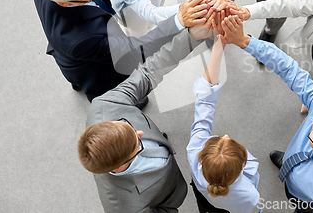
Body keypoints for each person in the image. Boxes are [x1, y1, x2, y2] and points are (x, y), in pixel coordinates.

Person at [220, 15, 313, 213]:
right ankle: (287, 163)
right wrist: (244, 41)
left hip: (305, 200)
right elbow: (290, 70)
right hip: (299, 163)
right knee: (293, 159)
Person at [29, 0, 208, 102]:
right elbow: (135, 50)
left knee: (77, 74)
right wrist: (179, 20)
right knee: (121, 91)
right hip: (95, 68)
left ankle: (77, 82)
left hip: (71, 53)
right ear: (64, 2)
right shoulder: (82, 40)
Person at [78, 23, 213, 213]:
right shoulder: (125, 207)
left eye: (128, 126)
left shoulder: (104, 106)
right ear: (118, 168)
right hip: (173, 193)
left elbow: (149, 71)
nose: (141, 132)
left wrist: (193, 36)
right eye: (138, 143)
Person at [187, 13, 261, 213]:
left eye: (222, 138)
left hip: (205, 201)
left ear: (201, 159)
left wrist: (219, 44)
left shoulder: (194, 151)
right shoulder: (250, 194)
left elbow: (204, 101)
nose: (226, 135)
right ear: (242, 166)